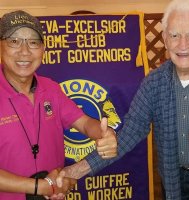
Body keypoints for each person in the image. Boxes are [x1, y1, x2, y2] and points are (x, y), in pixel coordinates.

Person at [56, 0, 189, 199]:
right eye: (175, 35)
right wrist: (74, 171)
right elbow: (129, 134)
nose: (183, 44)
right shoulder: (153, 83)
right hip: (172, 180)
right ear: (165, 39)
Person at [0, 10, 117, 200]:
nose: (24, 51)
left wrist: (105, 134)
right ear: (1, 46)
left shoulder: (51, 89)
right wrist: (42, 186)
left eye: (33, 42)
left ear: (43, 50)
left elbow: (85, 123)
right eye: (14, 41)